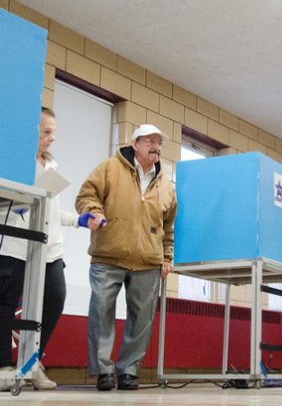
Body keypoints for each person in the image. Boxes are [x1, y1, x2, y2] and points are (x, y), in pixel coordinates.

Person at [75, 124, 177, 391]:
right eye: (150, 141)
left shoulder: (166, 185)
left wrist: (167, 256)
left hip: (148, 260)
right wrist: (94, 213)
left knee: (142, 319)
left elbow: (169, 226)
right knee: (101, 311)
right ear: (135, 144)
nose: (156, 146)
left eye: (159, 142)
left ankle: (128, 371)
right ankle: (103, 371)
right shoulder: (109, 168)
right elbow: (87, 195)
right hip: (108, 254)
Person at [0, 107, 94, 391]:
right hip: (16, 244)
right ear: (32, 132)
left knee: (55, 299)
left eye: (54, 131)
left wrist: (78, 220)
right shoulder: (14, 163)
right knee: (5, 306)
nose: (52, 138)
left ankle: (30, 364)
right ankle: (4, 366)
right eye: (47, 132)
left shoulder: (51, 166)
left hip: (49, 248)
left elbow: (51, 211)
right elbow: (10, 205)